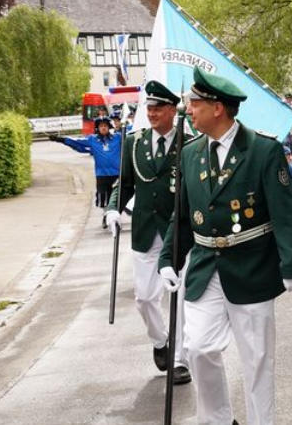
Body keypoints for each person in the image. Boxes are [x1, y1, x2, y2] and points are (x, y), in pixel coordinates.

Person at [157, 67, 292, 425]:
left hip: (252, 266)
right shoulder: (190, 153)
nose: (187, 110)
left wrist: (291, 262)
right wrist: (167, 259)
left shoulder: (262, 150)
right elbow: (182, 215)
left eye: (194, 103)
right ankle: (218, 420)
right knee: (199, 348)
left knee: (257, 358)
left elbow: (284, 212)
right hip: (205, 266)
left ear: (217, 108)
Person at [104, 81, 192, 385]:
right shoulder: (134, 142)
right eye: (149, 108)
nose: (152, 114)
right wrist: (113, 209)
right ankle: (160, 340)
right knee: (144, 298)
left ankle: (180, 359)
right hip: (145, 231)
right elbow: (124, 183)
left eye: (158, 108)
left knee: (178, 296)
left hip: (178, 231)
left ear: (172, 111)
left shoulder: (189, 143)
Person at [49, 117, 121, 226]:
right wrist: (61, 139)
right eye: (101, 126)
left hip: (117, 173)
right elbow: (77, 143)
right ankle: (106, 215)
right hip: (102, 174)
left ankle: (114, 217)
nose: (103, 128)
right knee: (102, 197)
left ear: (109, 127)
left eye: (105, 126)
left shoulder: (118, 138)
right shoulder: (92, 140)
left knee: (116, 197)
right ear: (97, 128)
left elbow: (130, 140)